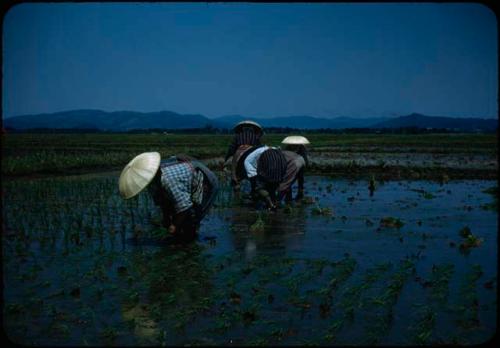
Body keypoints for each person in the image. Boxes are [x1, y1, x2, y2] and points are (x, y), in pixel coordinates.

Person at [119, 152, 218, 242]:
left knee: (192, 220)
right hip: (187, 178)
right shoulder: (152, 183)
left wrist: (174, 225)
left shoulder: (168, 181)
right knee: (178, 219)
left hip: (205, 180)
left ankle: (190, 244)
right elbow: (163, 202)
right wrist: (166, 219)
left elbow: (185, 207)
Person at [224, 120, 263, 191]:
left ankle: (234, 177)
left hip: (241, 150)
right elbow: (259, 147)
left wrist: (227, 158)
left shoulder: (237, 136)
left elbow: (232, 148)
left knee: (234, 164)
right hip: (253, 150)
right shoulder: (255, 137)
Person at [280, 136, 310, 201]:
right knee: (295, 181)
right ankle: (292, 198)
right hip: (296, 166)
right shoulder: (301, 149)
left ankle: (289, 199)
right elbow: (305, 161)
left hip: (289, 168)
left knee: (289, 183)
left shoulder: (285, 151)